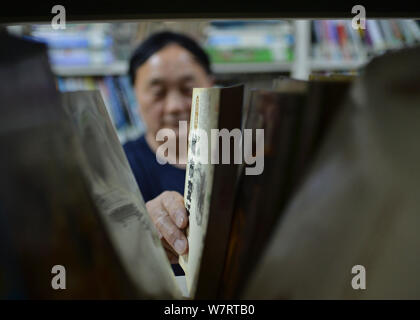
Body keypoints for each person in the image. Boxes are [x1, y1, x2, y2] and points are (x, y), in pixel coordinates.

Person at [123, 31, 214, 274]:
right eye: (158, 92)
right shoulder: (117, 166)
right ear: (134, 95)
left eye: (188, 89)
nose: (174, 107)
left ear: (211, 86)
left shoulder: (243, 157)